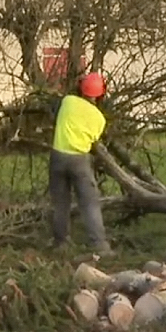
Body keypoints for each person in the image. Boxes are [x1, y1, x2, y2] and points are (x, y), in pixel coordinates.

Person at [48, 72, 114, 256]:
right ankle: (99, 244)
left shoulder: (68, 101)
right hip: (79, 160)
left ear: (81, 88)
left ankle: (61, 243)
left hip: (58, 157)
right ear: (101, 94)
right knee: (90, 203)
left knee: (61, 203)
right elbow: (94, 141)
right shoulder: (99, 119)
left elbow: (55, 109)